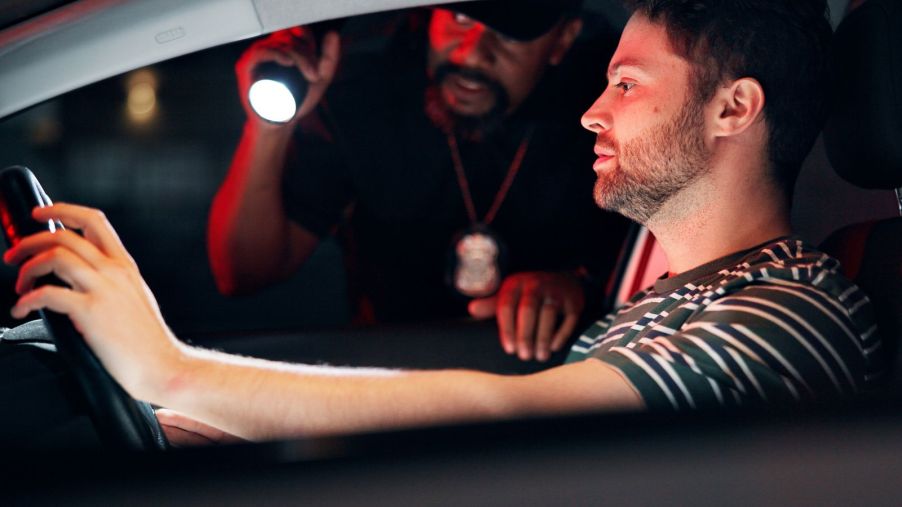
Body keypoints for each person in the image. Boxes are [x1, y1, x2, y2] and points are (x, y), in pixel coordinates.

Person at [4, 0, 883, 443]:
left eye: (625, 84)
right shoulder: (687, 296)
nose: (591, 112)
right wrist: (177, 421)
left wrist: (170, 367)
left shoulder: (783, 318)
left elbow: (514, 416)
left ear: (735, 110)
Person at [207, 0, 631, 363]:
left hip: (551, 381)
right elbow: (243, 273)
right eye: (461, 20)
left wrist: (576, 285)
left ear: (562, 40)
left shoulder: (603, 112)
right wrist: (269, 128)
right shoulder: (366, 91)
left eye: (510, 34)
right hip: (386, 372)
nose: (472, 54)